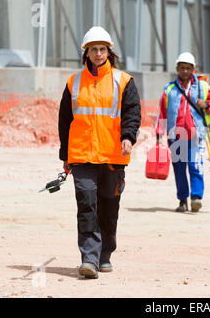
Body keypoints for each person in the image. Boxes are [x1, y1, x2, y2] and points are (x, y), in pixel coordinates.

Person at [58, 26, 141, 279]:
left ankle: (105, 254)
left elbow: (132, 113)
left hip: (113, 156)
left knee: (108, 207)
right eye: (93, 49)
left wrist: (128, 137)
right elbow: (64, 120)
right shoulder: (74, 82)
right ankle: (89, 259)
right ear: (86, 53)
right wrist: (65, 155)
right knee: (86, 206)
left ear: (109, 52)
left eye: (102, 49)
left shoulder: (123, 81)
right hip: (82, 155)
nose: (97, 53)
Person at [155, 52, 210, 213]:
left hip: (195, 135)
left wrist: (205, 103)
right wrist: (159, 135)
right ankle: (182, 200)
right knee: (179, 169)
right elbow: (162, 113)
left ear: (193, 69)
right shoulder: (169, 89)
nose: (185, 71)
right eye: (182, 68)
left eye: (188, 68)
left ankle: (196, 198)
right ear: (177, 68)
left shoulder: (202, 87)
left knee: (195, 166)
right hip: (175, 136)